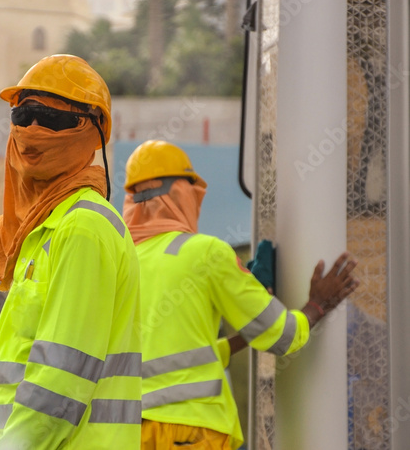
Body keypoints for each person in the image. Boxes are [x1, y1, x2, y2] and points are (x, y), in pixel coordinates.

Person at [122, 139, 360, 450]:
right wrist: (318, 304)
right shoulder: (204, 253)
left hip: (129, 434)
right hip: (192, 434)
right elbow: (283, 337)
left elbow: (178, 357)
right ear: (183, 194)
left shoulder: (121, 264)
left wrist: (248, 330)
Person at [0, 54, 142, 449]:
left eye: (52, 119)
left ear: (91, 130)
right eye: (24, 114)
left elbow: (59, 383)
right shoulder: (42, 230)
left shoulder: (83, 228)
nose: (32, 130)